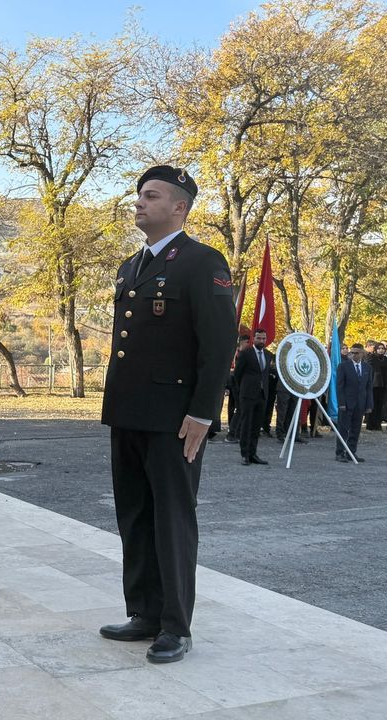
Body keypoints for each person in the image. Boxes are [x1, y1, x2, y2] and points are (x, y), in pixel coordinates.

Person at [99, 165, 236, 664]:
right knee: (134, 517)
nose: (139, 201)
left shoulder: (202, 262)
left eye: (151, 195)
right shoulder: (129, 266)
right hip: (128, 413)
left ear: (179, 207)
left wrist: (203, 413)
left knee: (173, 520)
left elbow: (218, 346)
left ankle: (176, 626)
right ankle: (145, 612)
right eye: (139, 194)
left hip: (175, 419)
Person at [232, 328, 272, 465]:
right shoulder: (246, 354)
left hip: (262, 395)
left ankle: (253, 453)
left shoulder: (268, 355)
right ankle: (245, 454)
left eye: (263, 338)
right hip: (247, 395)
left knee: (256, 426)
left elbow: (265, 374)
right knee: (246, 425)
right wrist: (239, 393)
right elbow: (237, 375)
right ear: (253, 339)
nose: (261, 341)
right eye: (259, 338)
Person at [334, 342, 373, 462]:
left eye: (356, 353)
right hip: (346, 403)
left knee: (355, 429)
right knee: (343, 429)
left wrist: (369, 404)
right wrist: (341, 403)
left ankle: (351, 452)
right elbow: (339, 387)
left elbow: (368, 387)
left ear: (362, 353)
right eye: (352, 353)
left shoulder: (367, 367)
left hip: (360, 403)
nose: (353, 355)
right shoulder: (343, 366)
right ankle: (340, 453)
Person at [223, 334, 250, 444]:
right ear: (242, 342)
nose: (249, 344)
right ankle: (232, 433)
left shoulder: (242, 353)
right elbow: (237, 372)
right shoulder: (240, 354)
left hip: (240, 386)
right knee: (239, 410)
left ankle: (237, 432)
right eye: (247, 342)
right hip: (237, 385)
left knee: (240, 410)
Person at [366, 342, 387, 431]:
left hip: (383, 385)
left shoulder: (386, 359)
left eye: (382, 349)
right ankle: (370, 424)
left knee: (380, 405)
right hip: (374, 385)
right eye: (379, 348)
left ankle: (377, 423)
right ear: (376, 350)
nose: (381, 350)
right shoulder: (372, 358)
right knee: (373, 404)